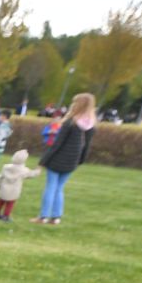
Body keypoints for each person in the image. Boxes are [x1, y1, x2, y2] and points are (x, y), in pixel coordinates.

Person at [35, 93, 96, 225]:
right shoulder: (91, 125)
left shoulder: (70, 123)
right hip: (72, 161)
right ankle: (56, 217)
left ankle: (43, 216)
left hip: (58, 159)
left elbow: (57, 144)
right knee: (59, 188)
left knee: (51, 186)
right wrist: (79, 161)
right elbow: (86, 147)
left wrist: (42, 162)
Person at [0, 150, 40, 220]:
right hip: (14, 191)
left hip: (3, 190)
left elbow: (0, 177)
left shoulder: (6, 167)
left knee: (0, 203)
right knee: (10, 204)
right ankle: (6, 216)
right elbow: (31, 174)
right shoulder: (23, 170)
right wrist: (37, 171)